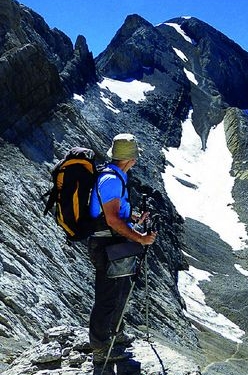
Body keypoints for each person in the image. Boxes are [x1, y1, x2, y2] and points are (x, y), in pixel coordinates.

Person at [87, 133, 157, 364]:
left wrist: (133, 217)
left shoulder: (115, 177)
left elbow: (116, 215)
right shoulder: (112, 181)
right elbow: (112, 220)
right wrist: (140, 238)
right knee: (107, 297)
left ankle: (116, 335)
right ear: (131, 159)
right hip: (107, 244)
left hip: (111, 243)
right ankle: (100, 348)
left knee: (120, 290)